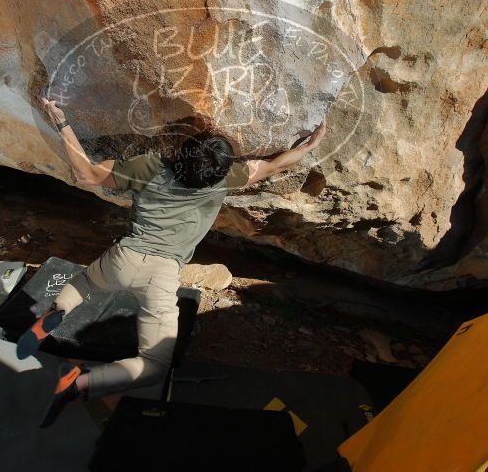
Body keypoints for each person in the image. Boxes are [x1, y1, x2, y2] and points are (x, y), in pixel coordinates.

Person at [21, 97, 327, 427]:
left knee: (85, 282)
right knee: (154, 364)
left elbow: (87, 174)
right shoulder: (228, 178)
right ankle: (80, 382)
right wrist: (309, 145)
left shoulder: (148, 167)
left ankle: (53, 316)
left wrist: (62, 121)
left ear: (182, 152)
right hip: (162, 276)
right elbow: (274, 165)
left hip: (124, 257)